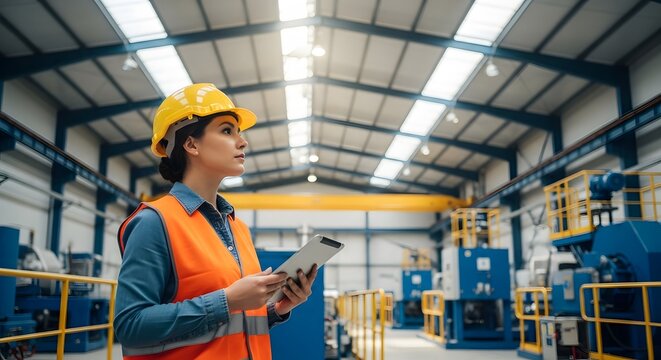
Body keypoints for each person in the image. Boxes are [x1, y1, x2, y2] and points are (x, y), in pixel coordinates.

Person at [114, 83, 318, 360]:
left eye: (239, 132)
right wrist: (227, 300)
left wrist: (276, 308)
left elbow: (230, 325)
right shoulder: (155, 222)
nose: (242, 141)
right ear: (191, 144)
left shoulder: (238, 227)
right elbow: (130, 326)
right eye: (226, 130)